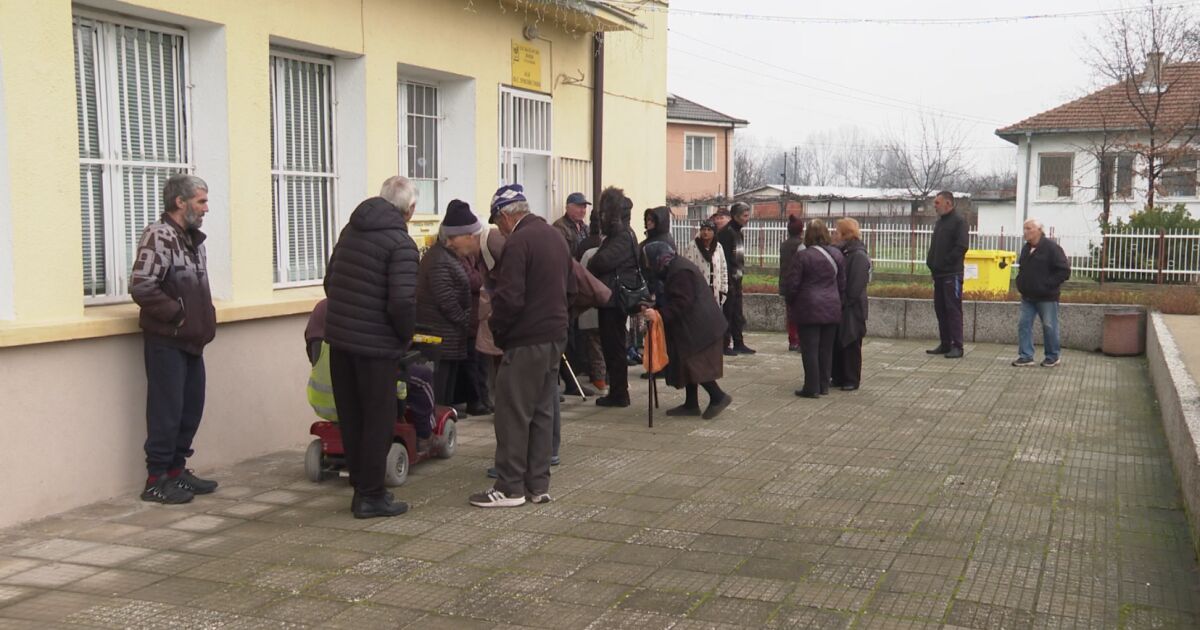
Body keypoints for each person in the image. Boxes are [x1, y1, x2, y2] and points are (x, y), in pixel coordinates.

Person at [322, 176, 420, 519]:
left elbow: (330, 282)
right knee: (378, 420)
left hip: (340, 340)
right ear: (410, 209)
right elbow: (402, 303)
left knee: (352, 418)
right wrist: (405, 337)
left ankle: (360, 489)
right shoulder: (401, 244)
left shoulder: (351, 231)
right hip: (377, 347)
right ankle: (371, 495)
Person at [470, 185, 574, 508]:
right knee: (542, 410)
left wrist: (498, 332)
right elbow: (572, 287)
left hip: (527, 339)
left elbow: (510, 298)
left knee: (512, 412)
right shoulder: (555, 236)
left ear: (505, 216)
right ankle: (538, 485)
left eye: (497, 222)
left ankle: (510, 487)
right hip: (555, 335)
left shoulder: (518, 242)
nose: (499, 229)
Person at [130, 174, 218, 504]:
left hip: (193, 341)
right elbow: (142, 286)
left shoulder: (193, 240)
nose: (206, 208)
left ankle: (176, 471)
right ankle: (156, 480)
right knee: (166, 413)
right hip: (167, 341)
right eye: (201, 201)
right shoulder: (159, 235)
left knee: (190, 410)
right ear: (180, 202)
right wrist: (178, 316)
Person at [305, 299, 437, 454]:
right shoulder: (369, 305)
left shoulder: (320, 309)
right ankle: (424, 435)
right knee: (423, 376)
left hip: (324, 401)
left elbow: (312, 354)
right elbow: (395, 348)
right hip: (366, 397)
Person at [644, 241, 733, 420]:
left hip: (701, 327)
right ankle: (691, 404)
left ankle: (718, 396)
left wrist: (659, 314)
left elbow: (681, 302)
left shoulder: (680, 271)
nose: (647, 264)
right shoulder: (673, 267)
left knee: (695, 363)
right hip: (695, 325)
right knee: (686, 361)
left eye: (648, 260)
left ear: (657, 258)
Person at [416, 200, 481, 407]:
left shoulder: (447, 256)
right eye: (471, 236)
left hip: (448, 338)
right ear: (456, 237)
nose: (474, 240)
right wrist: (465, 321)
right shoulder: (440, 260)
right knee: (439, 397)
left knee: (445, 398)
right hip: (440, 339)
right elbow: (446, 300)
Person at [587, 187, 639, 408]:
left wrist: (594, 261)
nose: (603, 218)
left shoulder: (622, 236)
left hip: (615, 300)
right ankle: (617, 391)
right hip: (612, 299)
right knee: (612, 346)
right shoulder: (620, 235)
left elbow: (600, 262)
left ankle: (619, 393)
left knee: (614, 347)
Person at [784, 219, 846, 399]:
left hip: (808, 307)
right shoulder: (837, 254)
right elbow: (842, 284)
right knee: (826, 349)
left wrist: (791, 302)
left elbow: (793, 284)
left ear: (808, 235)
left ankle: (811, 386)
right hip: (831, 305)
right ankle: (824, 384)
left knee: (810, 348)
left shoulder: (803, 256)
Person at [1013, 218, 1071, 368]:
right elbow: (1023, 268)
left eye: (1029, 228)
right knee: (1024, 325)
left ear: (1039, 230)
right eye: (1024, 228)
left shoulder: (1052, 248)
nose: (1025, 232)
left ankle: (1052, 356)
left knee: (1049, 326)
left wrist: (1047, 284)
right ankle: (1026, 356)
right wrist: (1020, 282)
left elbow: (1064, 271)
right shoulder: (1026, 249)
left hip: (1047, 297)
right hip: (1028, 296)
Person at [926, 191, 969, 359]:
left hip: (952, 274)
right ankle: (945, 343)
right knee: (941, 309)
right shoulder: (940, 223)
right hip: (938, 274)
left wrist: (946, 262)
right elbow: (935, 246)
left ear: (948, 203)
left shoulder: (959, 222)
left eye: (937, 203)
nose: (934, 206)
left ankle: (957, 345)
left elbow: (961, 246)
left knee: (953, 310)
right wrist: (931, 262)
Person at [831, 218, 871, 391]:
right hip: (843, 305)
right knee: (839, 341)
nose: (834, 235)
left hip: (852, 307)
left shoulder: (858, 255)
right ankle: (839, 376)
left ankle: (851, 378)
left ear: (845, 234)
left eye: (836, 232)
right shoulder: (845, 252)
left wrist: (844, 301)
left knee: (851, 342)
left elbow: (856, 285)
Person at [718, 202, 754, 356]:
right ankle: (725, 344)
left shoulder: (738, 232)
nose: (747, 218)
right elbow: (724, 259)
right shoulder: (727, 233)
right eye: (745, 216)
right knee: (728, 312)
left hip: (737, 278)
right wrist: (728, 281)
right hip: (729, 280)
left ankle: (739, 342)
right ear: (735, 216)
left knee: (737, 313)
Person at [681, 219, 728, 305]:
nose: (706, 232)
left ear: (714, 232)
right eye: (703, 229)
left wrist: (723, 290)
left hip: (715, 292)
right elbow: (687, 270)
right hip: (698, 292)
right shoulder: (693, 246)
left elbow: (723, 269)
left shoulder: (718, 247)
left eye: (709, 230)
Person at [779, 215, 805, 352]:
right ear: (801, 230)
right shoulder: (802, 246)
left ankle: (792, 340)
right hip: (798, 283)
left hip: (786, 283)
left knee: (790, 313)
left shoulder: (784, 245)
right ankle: (799, 340)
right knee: (801, 313)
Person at [554, 192, 591, 257]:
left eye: (584, 207)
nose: (583, 211)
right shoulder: (559, 227)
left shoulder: (586, 228)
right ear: (568, 208)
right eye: (579, 207)